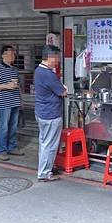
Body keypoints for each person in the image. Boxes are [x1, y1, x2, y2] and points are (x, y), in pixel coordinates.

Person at [34, 45, 67, 182]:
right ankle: (44, 173)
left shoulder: (39, 71)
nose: (58, 60)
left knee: (44, 142)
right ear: (50, 57)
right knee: (50, 145)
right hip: (50, 115)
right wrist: (64, 88)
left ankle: (45, 168)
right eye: (57, 57)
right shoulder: (48, 74)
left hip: (42, 112)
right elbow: (63, 92)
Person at [0, 45, 24, 161]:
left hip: (15, 102)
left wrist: (21, 102)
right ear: (3, 55)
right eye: (10, 54)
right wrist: (5, 86)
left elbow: (18, 87)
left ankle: (11, 147)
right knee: (3, 127)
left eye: (14, 54)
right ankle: (1, 150)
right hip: (4, 103)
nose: (13, 56)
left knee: (13, 127)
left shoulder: (14, 70)